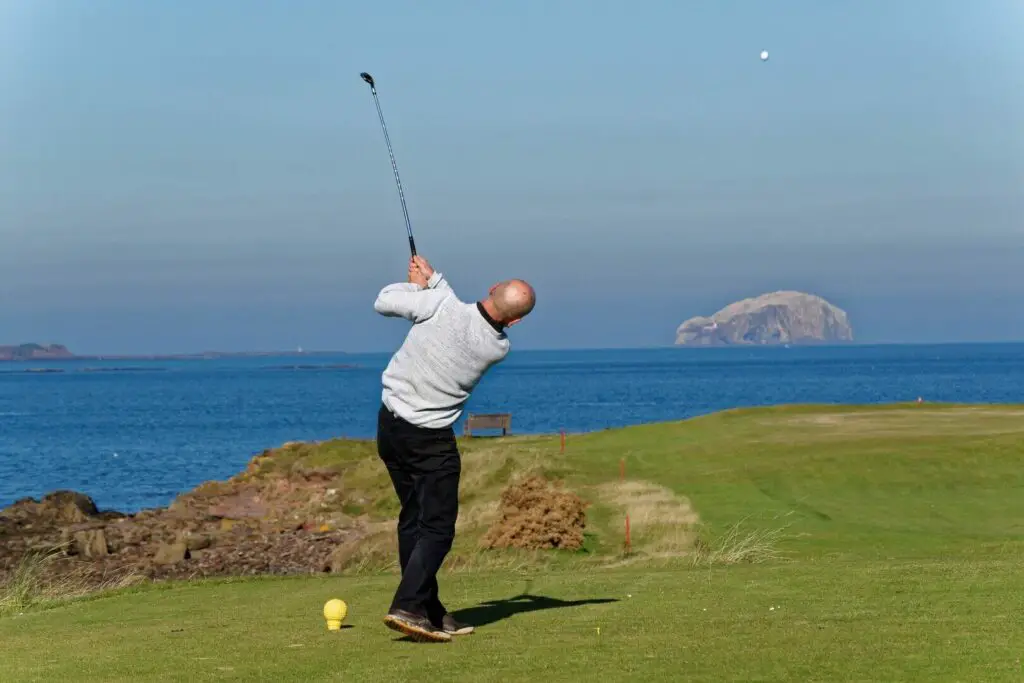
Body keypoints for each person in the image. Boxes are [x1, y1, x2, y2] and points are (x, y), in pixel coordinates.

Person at [373, 254, 536, 643]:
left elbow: (384, 301)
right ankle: (409, 606)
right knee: (438, 528)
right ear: (514, 321)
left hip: (391, 427)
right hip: (429, 440)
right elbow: (463, 317)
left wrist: (420, 287)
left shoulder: (437, 306)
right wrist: (433, 283)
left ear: (490, 288)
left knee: (415, 519)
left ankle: (428, 609)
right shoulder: (498, 346)